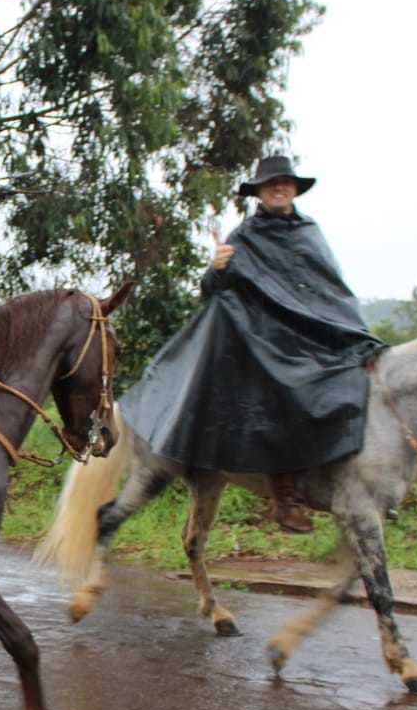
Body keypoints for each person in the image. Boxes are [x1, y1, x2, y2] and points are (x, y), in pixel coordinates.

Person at [119, 155, 385, 533]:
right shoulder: (244, 236)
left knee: (353, 375)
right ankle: (286, 498)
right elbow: (214, 293)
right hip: (265, 341)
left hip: (312, 337)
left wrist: (355, 333)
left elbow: (332, 292)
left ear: (294, 189)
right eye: (271, 183)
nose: (279, 187)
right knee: (284, 389)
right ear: (259, 191)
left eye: (285, 182)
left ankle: (356, 481)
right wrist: (216, 269)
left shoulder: (310, 232)